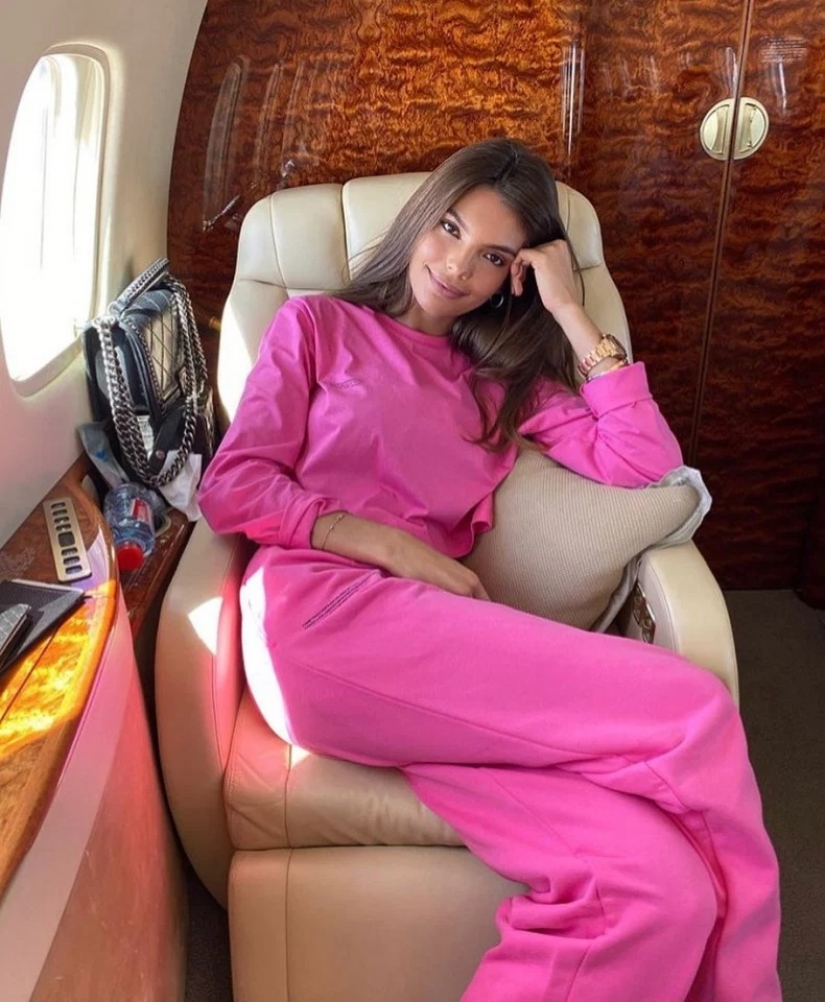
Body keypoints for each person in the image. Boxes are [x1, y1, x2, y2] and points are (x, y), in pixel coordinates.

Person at [198, 137, 782, 1001]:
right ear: (420, 218)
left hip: (431, 665)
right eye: (450, 229)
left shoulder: (503, 379)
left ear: (518, 275)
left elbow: (643, 465)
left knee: (653, 889)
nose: (456, 267)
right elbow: (232, 485)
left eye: (494, 257)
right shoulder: (317, 326)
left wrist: (570, 312)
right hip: (322, 620)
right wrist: (383, 542)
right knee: (693, 708)